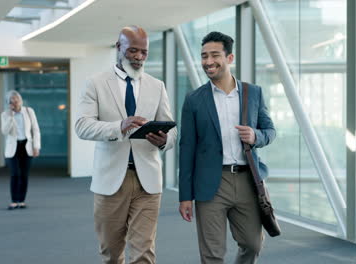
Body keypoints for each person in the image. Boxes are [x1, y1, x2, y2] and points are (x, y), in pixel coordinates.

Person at [75, 25, 177, 264]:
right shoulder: (96, 84)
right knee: (111, 253)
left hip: (148, 182)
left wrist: (165, 141)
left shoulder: (157, 86)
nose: (139, 57)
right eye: (133, 51)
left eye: (144, 52)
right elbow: (82, 126)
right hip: (110, 181)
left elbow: (172, 133)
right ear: (118, 47)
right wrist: (119, 126)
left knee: (144, 253)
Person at [178, 31, 276, 264]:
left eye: (214, 55)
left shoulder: (253, 93)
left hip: (248, 181)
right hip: (210, 184)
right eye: (203, 56)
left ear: (229, 58)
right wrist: (185, 196)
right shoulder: (194, 99)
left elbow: (270, 131)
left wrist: (255, 136)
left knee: (252, 244)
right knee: (212, 253)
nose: (208, 62)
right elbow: (187, 148)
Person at [1, 90, 41, 210]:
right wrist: (11, 116)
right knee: (15, 174)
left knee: (24, 174)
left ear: (20, 100)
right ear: (9, 102)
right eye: (12, 100)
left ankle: (22, 200)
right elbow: (4, 131)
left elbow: (35, 129)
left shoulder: (29, 111)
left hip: (26, 146)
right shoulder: (5, 114)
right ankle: (14, 200)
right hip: (13, 148)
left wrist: (36, 146)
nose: (15, 101)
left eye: (16, 99)